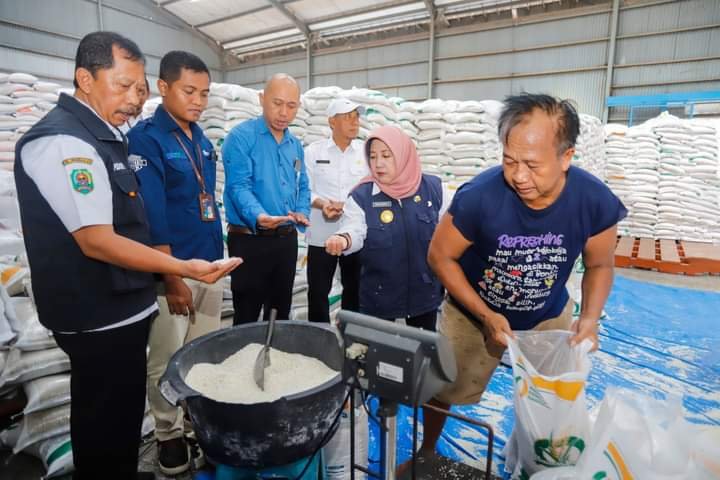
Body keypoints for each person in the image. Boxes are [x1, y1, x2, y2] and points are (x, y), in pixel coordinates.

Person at [13, 32, 240, 480]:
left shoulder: (104, 136)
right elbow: (95, 239)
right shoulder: (65, 142)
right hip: (96, 314)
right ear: (85, 78)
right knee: (104, 427)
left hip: (121, 309)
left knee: (115, 424)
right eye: (123, 86)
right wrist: (179, 269)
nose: (135, 99)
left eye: (138, 88)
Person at [416, 93, 627, 467]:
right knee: (445, 387)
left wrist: (590, 319)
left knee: (548, 399)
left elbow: (599, 265)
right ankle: (426, 452)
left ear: (566, 157)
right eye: (509, 160)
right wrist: (484, 315)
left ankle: (532, 464)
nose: (518, 176)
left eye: (532, 164)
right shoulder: (479, 197)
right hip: (472, 311)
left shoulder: (593, 201)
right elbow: (440, 256)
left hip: (547, 313)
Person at [127, 51, 223, 475]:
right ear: (163, 87)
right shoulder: (147, 139)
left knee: (203, 354)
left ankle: (194, 424)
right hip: (175, 271)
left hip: (209, 265)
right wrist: (172, 277)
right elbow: (151, 217)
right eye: (189, 91)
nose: (198, 100)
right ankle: (168, 437)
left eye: (204, 93)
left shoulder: (200, 138)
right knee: (167, 358)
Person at [325, 125, 451, 330]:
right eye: (373, 157)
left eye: (386, 156)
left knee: (422, 355)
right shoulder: (362, 196)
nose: (378, 164)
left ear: (403, 155)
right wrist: (343, 239)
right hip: (380, 296)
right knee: (377, 354)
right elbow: (355, 229)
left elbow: (452, 229)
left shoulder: (434, 189)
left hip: (424, 294)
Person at [222, 73, 310, 325]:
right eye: (277, 103)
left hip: (286, 240)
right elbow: (239, 186)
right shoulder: (241, 138)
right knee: (247, 314)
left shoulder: (295, 145)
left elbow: (303, 183)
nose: (284, 112)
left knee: (280, 312)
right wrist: (259, 216)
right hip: (250, 242)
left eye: (291, 106)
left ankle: (275, 362)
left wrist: (302, 210)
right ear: (262, 99)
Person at [304, 98, 368, 324]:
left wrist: (348, 205)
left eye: (356, 117)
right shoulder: (313, 152)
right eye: (347, 117)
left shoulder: (365, 152)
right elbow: (304, 189)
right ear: (332, 121)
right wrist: (323, 204)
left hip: (354, 233)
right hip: (322, 231)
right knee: (318, 290)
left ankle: (351, 338)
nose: (354, 122)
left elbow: (369, 189)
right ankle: (319, 337)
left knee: (355, 288)